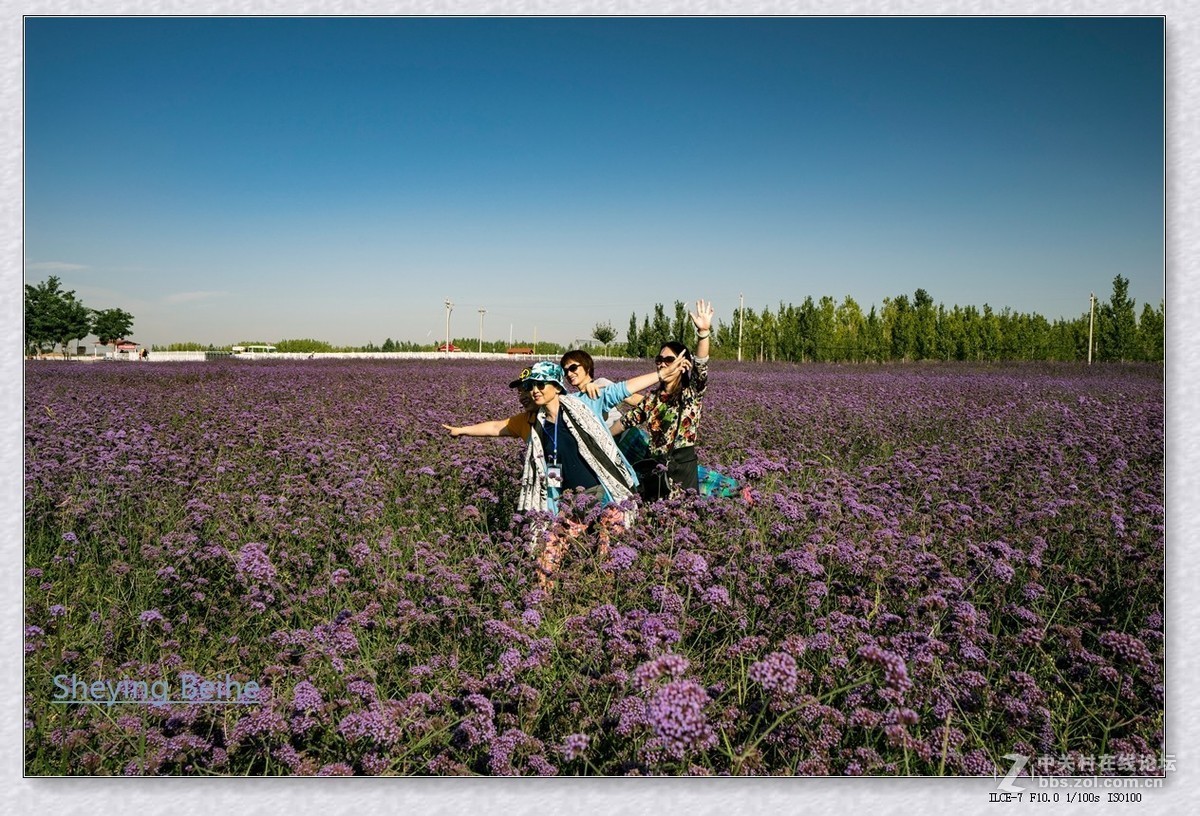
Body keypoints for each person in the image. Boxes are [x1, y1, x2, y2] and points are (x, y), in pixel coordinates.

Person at [443, 361, 639, 588]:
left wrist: (662, 374)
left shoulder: (575, 407)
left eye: (533, 387)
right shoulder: (529, 422)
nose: (527, 394)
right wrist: (462, 430)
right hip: (567, 500)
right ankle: (544, 599)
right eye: (524, 389)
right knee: (550, 551)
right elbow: (497, 427)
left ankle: (605, 591)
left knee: (608, 548)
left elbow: (619, 391)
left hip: (602, 493)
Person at [560, 348, 745, 501]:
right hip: (614, 442)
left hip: (626, 440)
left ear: (586, 367)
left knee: (669, 473)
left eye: (573, 367)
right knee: (655, 477)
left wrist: (661, 405)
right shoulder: (572, 398)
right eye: (565, 370)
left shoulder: (600, 384)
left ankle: (730, 487)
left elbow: (631, 397)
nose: (569, 373)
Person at [613, 299, 714, 498]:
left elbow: (701, 364)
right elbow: (625, 422)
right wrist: (600, 436)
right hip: (655, 466)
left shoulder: (691, 392)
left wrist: (703, 333)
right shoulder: (652, 399)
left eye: (668, 359)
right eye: (659, 360)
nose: (662, 364)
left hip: (682, 466)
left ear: (682, 363)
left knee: (683, 516)